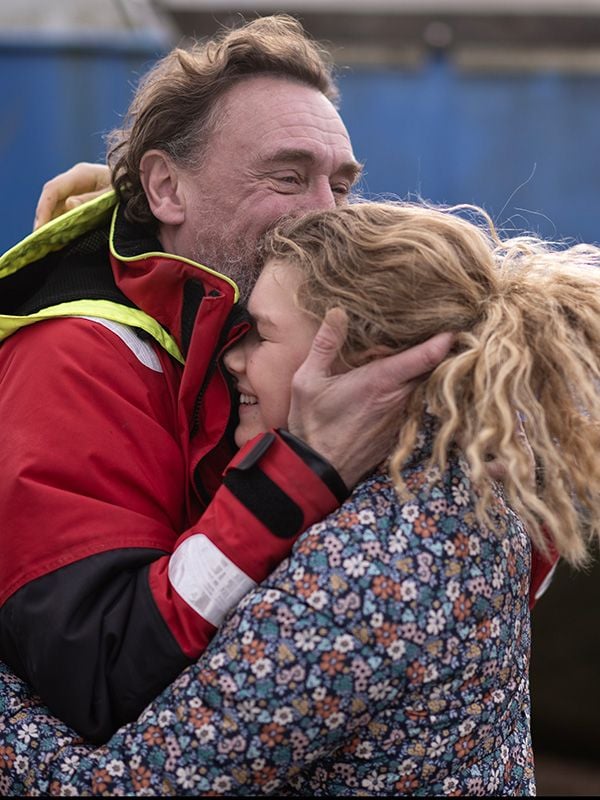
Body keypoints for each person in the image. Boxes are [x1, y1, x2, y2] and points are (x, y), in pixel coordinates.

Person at [1, 199, 598, 797]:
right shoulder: (468, 487)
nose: (231, 358)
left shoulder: (358, 573)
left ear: (355, 361)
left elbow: (121, 787)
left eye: (259, 334)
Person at [0, 15, 452, 744]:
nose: (328, 216)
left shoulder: (263, 321)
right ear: (166, 189)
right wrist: (301, 471)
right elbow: (97, 673)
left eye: (343, 185)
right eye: (287, 178)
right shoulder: (78, 357)